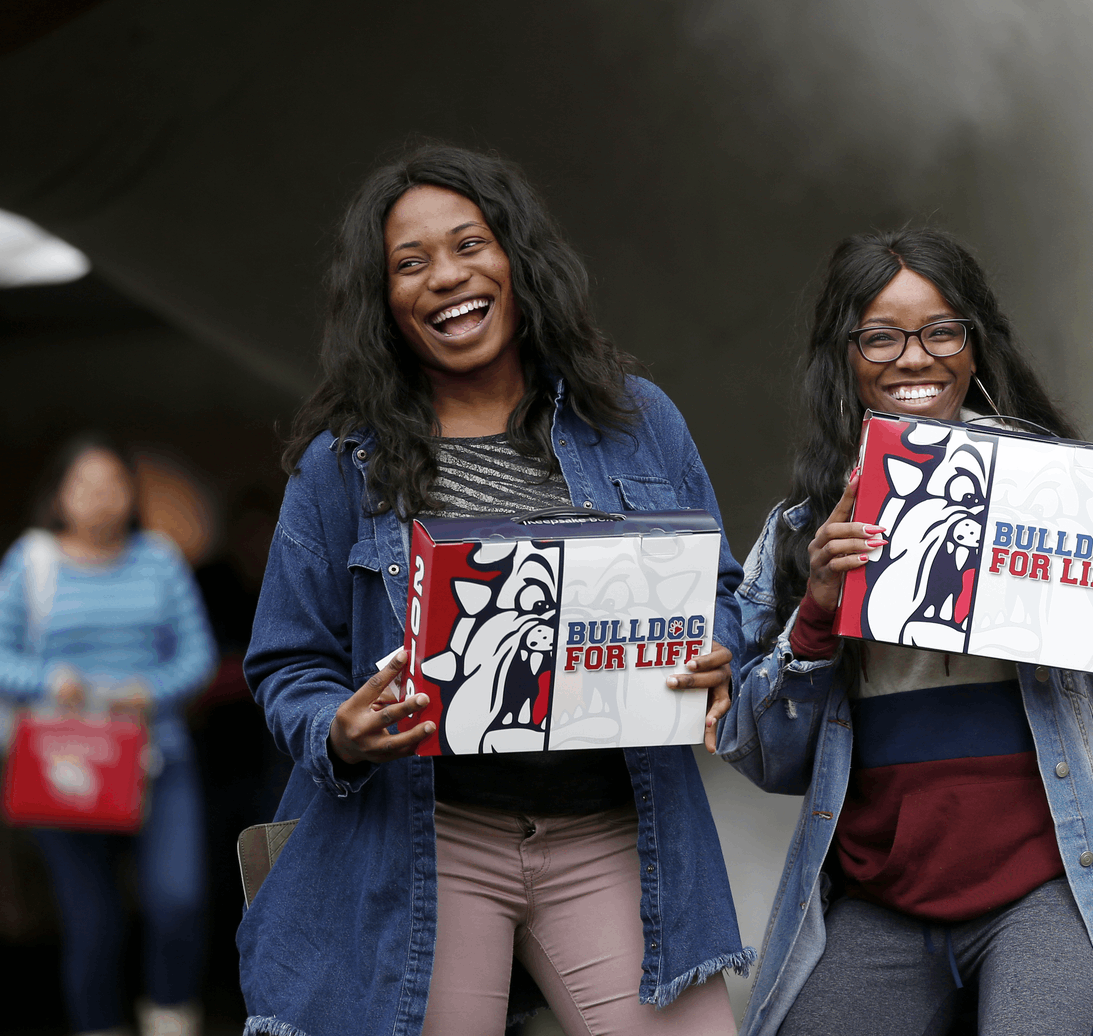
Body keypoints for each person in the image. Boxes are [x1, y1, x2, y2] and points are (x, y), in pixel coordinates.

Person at [238, 144, 750, 1036]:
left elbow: (723, 595)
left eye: (469, 244)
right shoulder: (339, 467)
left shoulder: (637, 420)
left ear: (515, 258)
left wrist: (720, 654)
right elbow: (288, 664)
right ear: (384, 304)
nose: (446, 277)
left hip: (614, 832)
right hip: (423, 843)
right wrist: (341, 731)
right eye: (410, 263)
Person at [703, 229, 1093, 1036]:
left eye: (940, 331)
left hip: (1050, 883)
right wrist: (818, 610)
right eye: (882, 336)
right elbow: (761, 749)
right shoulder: (801, 532)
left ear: (974, 346)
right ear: (846, 354)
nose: (913, 358)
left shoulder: (1060, 490)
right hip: (880, 897)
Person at [0, 433, 216, 1036]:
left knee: (178, 902)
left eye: (114, 484)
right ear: (59, 497)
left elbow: (198, 657)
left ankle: (171, 1017)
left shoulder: (160, 560)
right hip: (63, 763)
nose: (101, 498)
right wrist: (49, 678)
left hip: (157, 757)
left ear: (131, 494)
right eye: (85, 486)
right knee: (92, 923)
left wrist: (152, 690)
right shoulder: (31, 563)